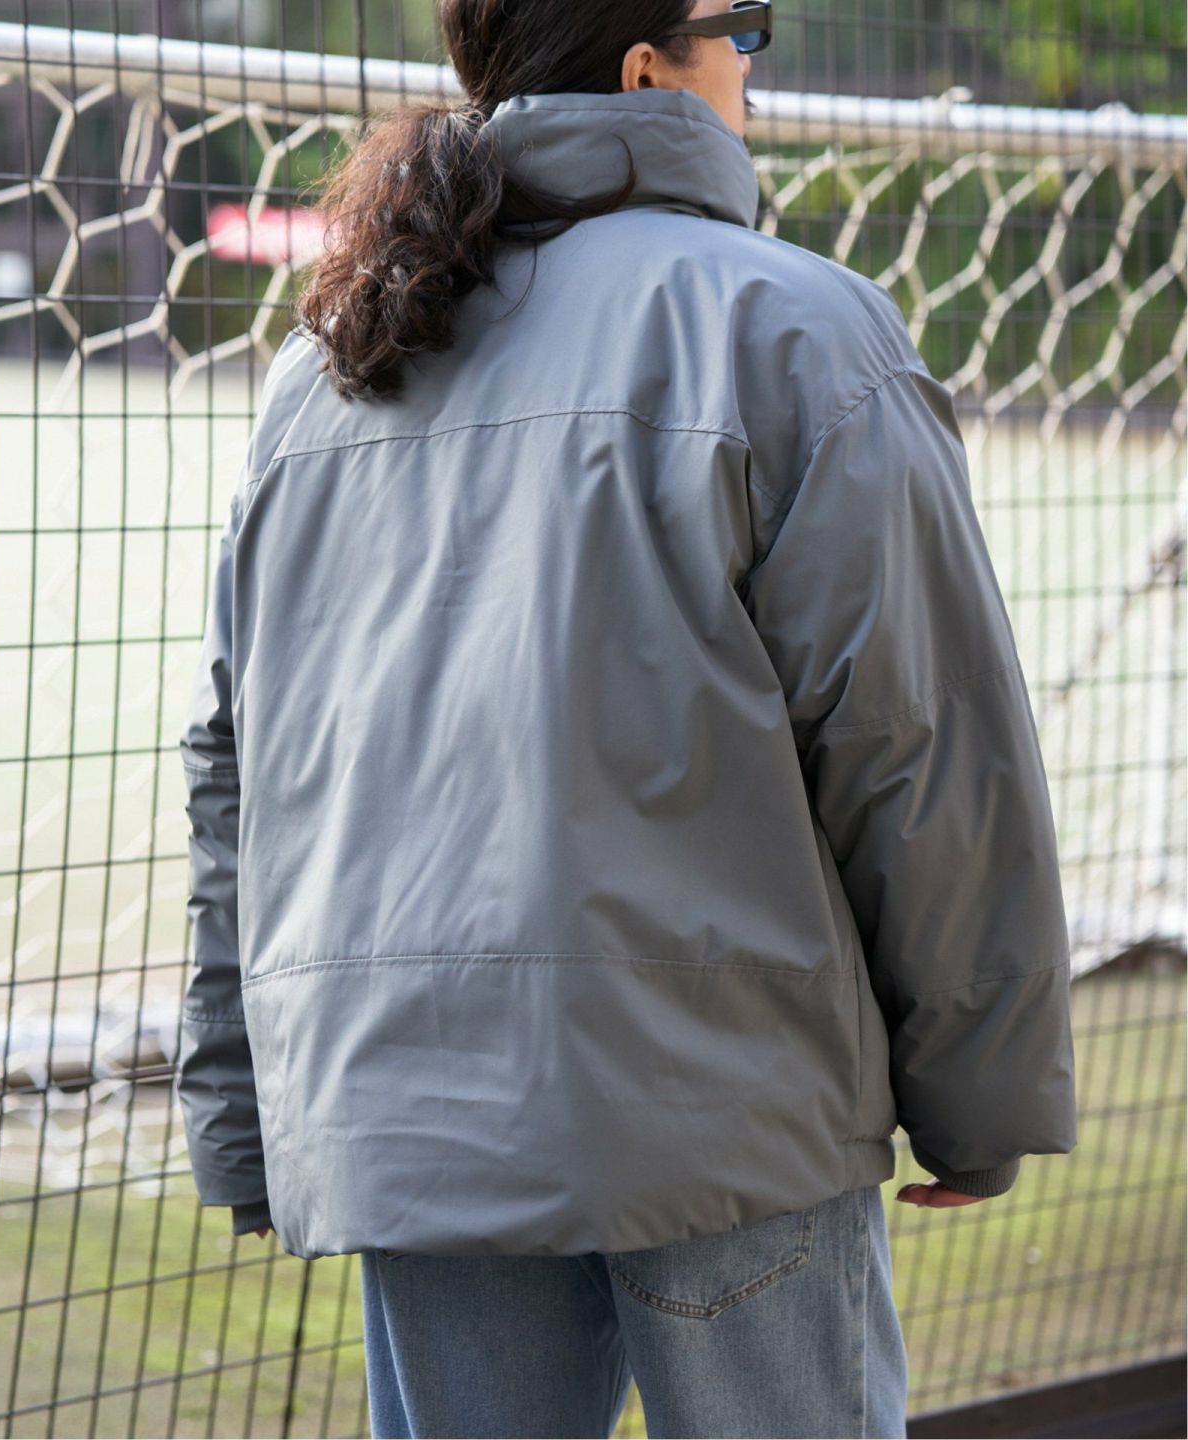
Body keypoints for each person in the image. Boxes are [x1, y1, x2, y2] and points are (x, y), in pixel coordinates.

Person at [174, 0, 1078, 1434]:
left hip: (411, 1127)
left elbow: (236, 773)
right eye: (744, 28)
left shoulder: (327, 365)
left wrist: (240, 1119)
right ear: (647, 66)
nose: (756, 73)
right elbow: (922, 746)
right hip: (725, 1115)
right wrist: (981, 1096)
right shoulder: (792, 329)